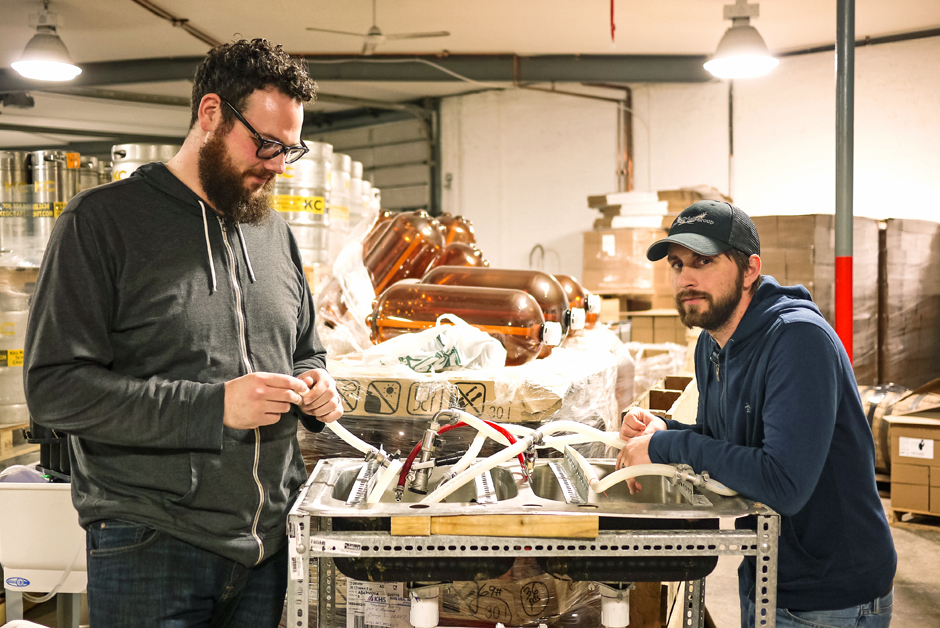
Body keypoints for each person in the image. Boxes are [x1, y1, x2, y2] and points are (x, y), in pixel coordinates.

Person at [24, 39, 342, 628]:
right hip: (151, 541)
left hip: (266, 546)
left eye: (289, 150)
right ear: (211, 113)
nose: (276, 164)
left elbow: (304, 349)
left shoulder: (274, 234)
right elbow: (56, 388)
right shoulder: (102, 224)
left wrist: (316, 384)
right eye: (265, 143)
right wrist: (213, 407)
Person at [616, 201, 896, 628]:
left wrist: (665, 445)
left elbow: (783, 482)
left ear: (749, 270)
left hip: (830, 596)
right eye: (677, 264)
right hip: (767, 575)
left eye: (704, 261)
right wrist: (663, 430)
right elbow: (724, 441)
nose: (686, 278)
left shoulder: (798, 340)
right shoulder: (713, 343)